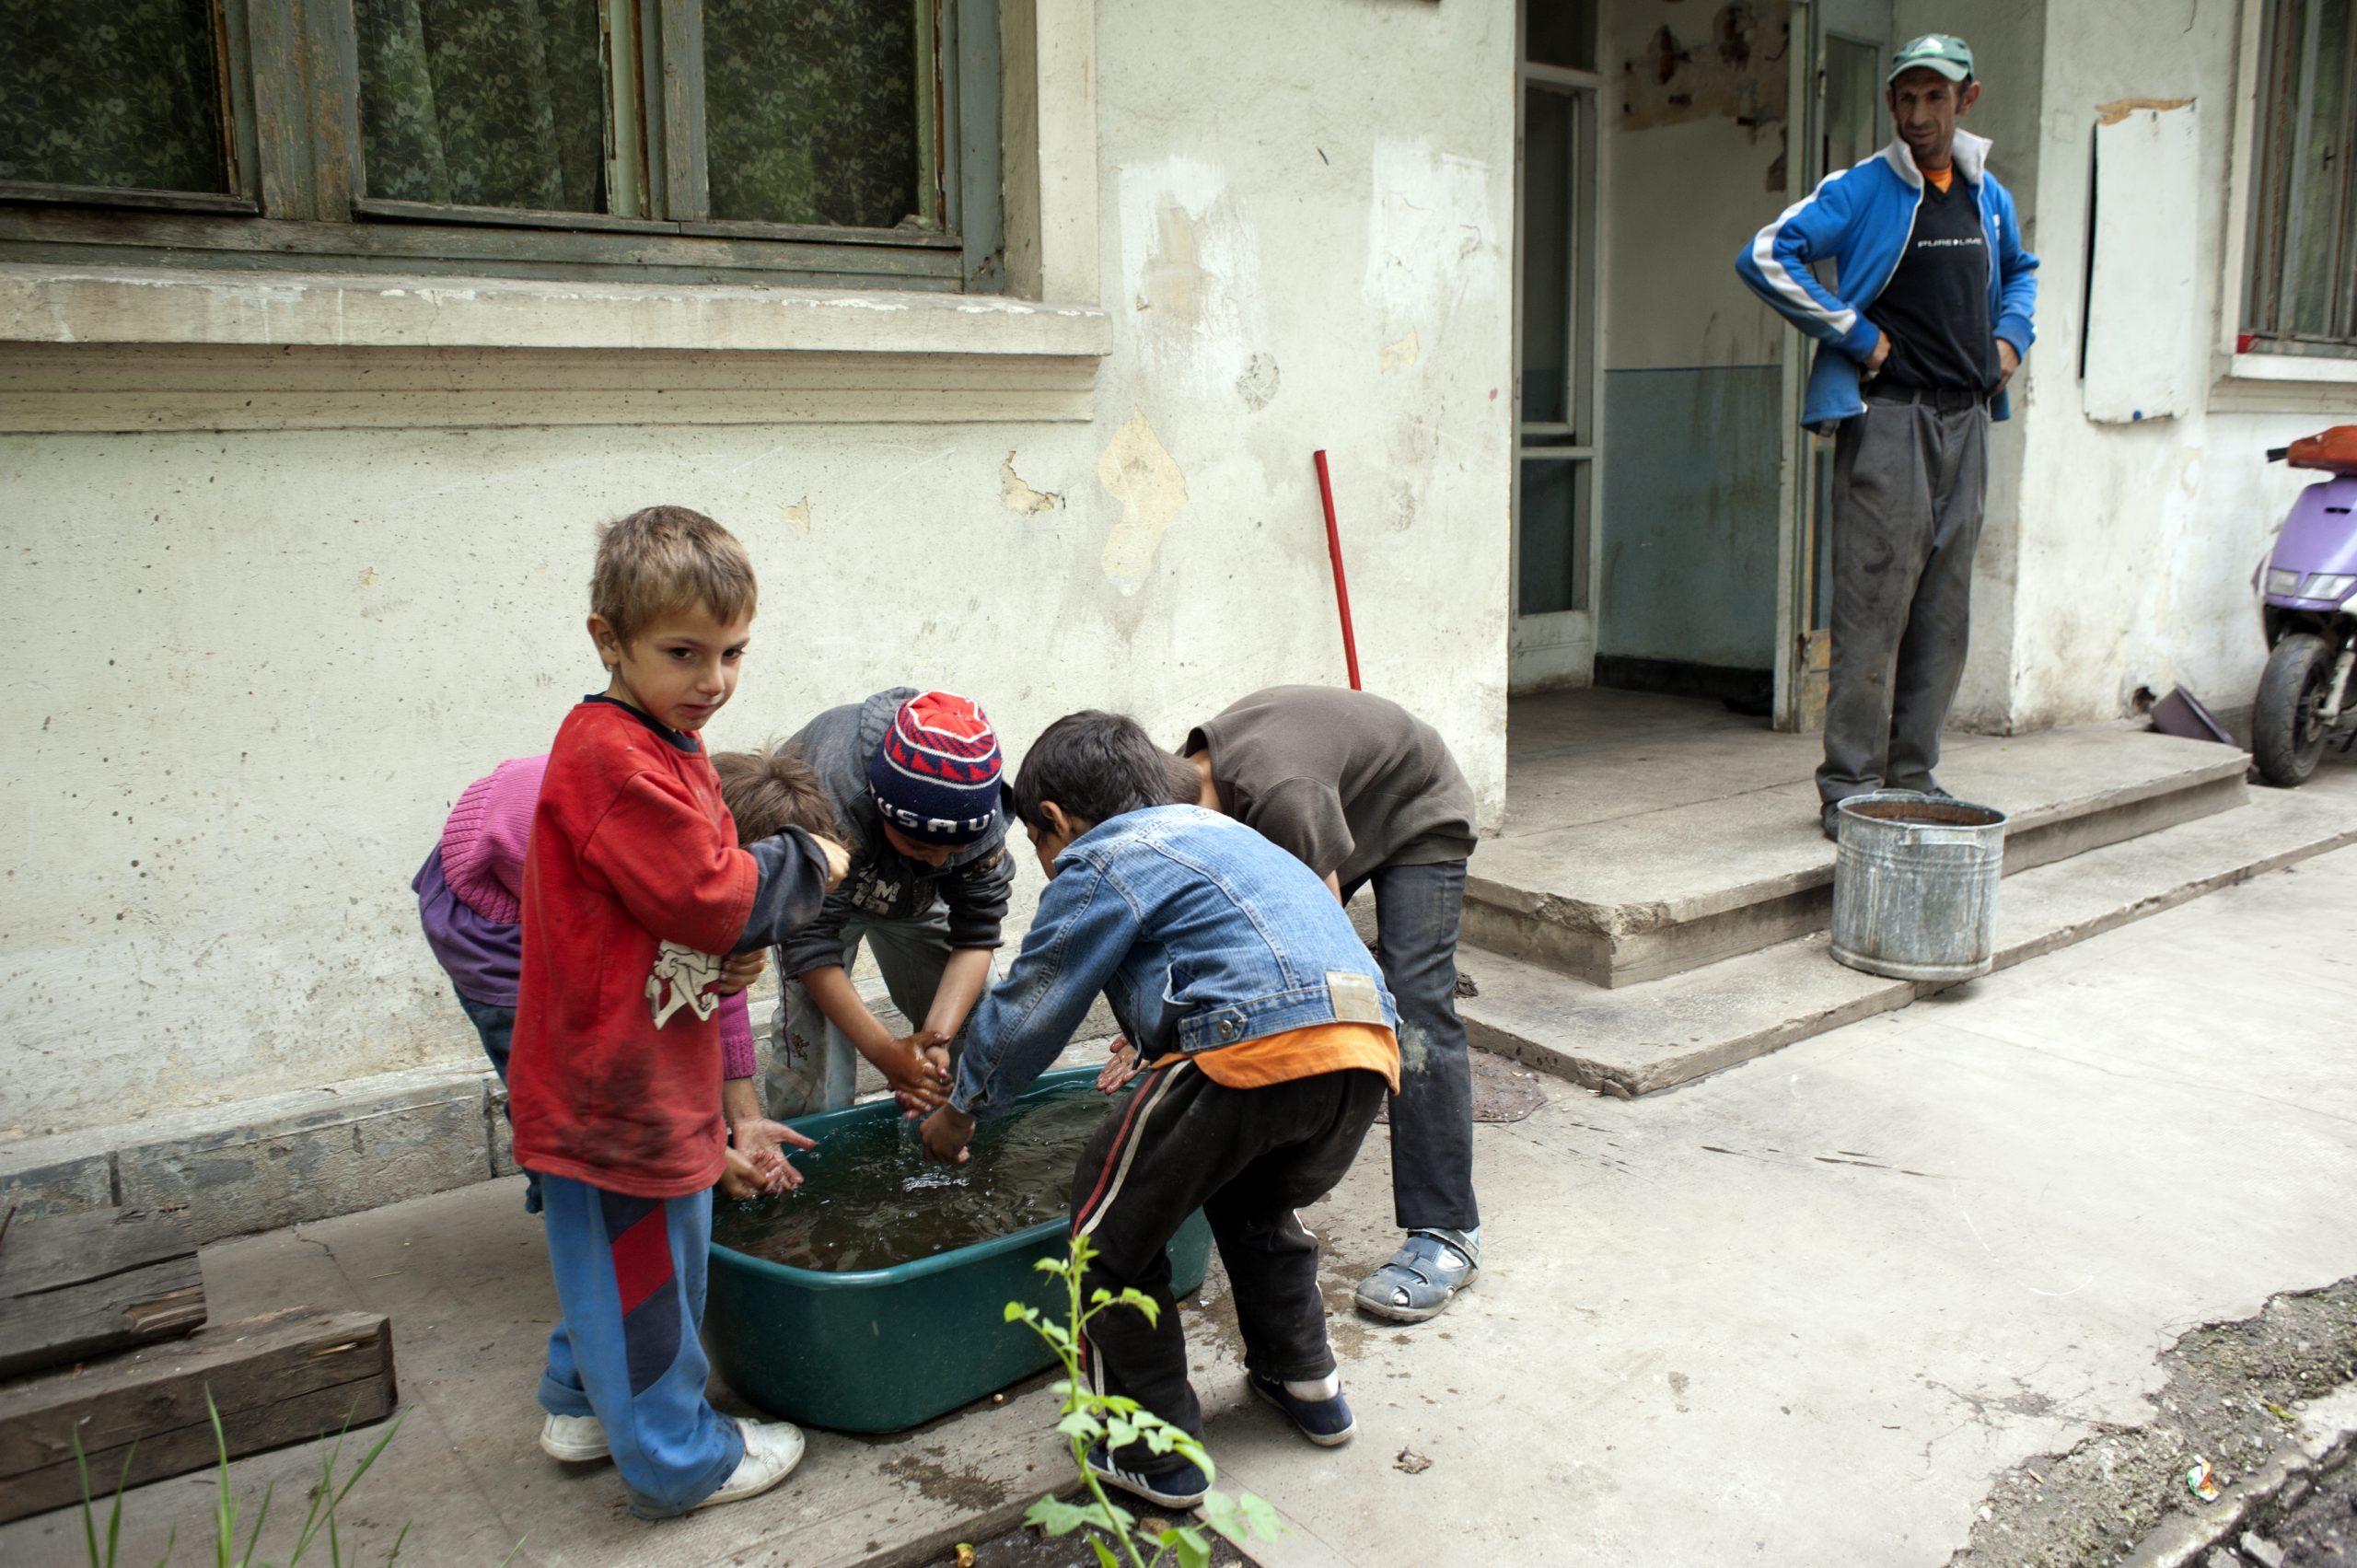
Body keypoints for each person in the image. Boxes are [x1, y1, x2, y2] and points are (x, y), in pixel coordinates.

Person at [918, 711, 1400, 1512]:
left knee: (1106, 1238)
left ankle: (1145, 1449)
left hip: (1247, 1049)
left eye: (1042, 851)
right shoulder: (1229, 836)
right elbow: (1233, 947)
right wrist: (1153, 1040)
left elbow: (1035, 998)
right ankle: (1307, 1380)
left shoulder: (1105, 853)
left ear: (1054, 822)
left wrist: (962, 1108)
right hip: (1363, 1049)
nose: (1049, 866)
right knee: (1254, 1203)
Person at [505, 505, 849, 1518]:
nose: (714, 679)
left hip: (634, 1056)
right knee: (650, 1276)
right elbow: (711, 891)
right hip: (614, 1079)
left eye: (734, 651)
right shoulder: (612, 755)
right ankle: (676, 1458)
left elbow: (662, 908)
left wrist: (715, 958)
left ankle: (579, 1405)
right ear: (606, 640)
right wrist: (806, 861)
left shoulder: (663, 736)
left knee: (613, 1260)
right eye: (683, 651)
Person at [1734, 32, 2038, 840]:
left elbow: (2022, 271)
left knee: (1943, 609)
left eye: (1934, 97)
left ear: (1965, 101)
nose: (1917, 114)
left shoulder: (1986, 195)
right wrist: (1853, 333)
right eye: (1905, 98)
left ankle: (1914, 776)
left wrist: (2010, 339)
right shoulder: (1865, 188)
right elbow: (1766, 253)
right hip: (1890, 419)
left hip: (1967, 419)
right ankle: (1849, 787)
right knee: (1874, 607)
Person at [1158, 685, 1483, 1326]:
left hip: (1417, 806)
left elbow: (1322, 950)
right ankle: (1264, 1176)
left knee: (1412, 1005)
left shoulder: (1280, 796)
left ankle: (1448, 1229)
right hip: (1344, 805)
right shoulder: (1180, 783)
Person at [413, 754, 790, 1211]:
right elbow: (608, 1051)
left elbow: (716, 977)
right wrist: (704, 1151)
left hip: (559, 858)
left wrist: (746, 1120)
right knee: (556, 1092)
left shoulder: (706, 867)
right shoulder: (630, 868)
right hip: (487, 911)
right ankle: (562, 1200)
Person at [761, 688, 1014, 1118]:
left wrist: (932, 1046)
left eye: (953, 852)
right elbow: (812, 944)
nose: (938, 860)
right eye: (919, 844)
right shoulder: (831, 802)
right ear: (881, 812)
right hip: (824, 889)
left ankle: (951, 1130)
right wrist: (885, 1053)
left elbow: (977, 931)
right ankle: (814, 1160)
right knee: (816, 1046)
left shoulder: (978, 814)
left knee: (983, 1014)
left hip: (916, 897)